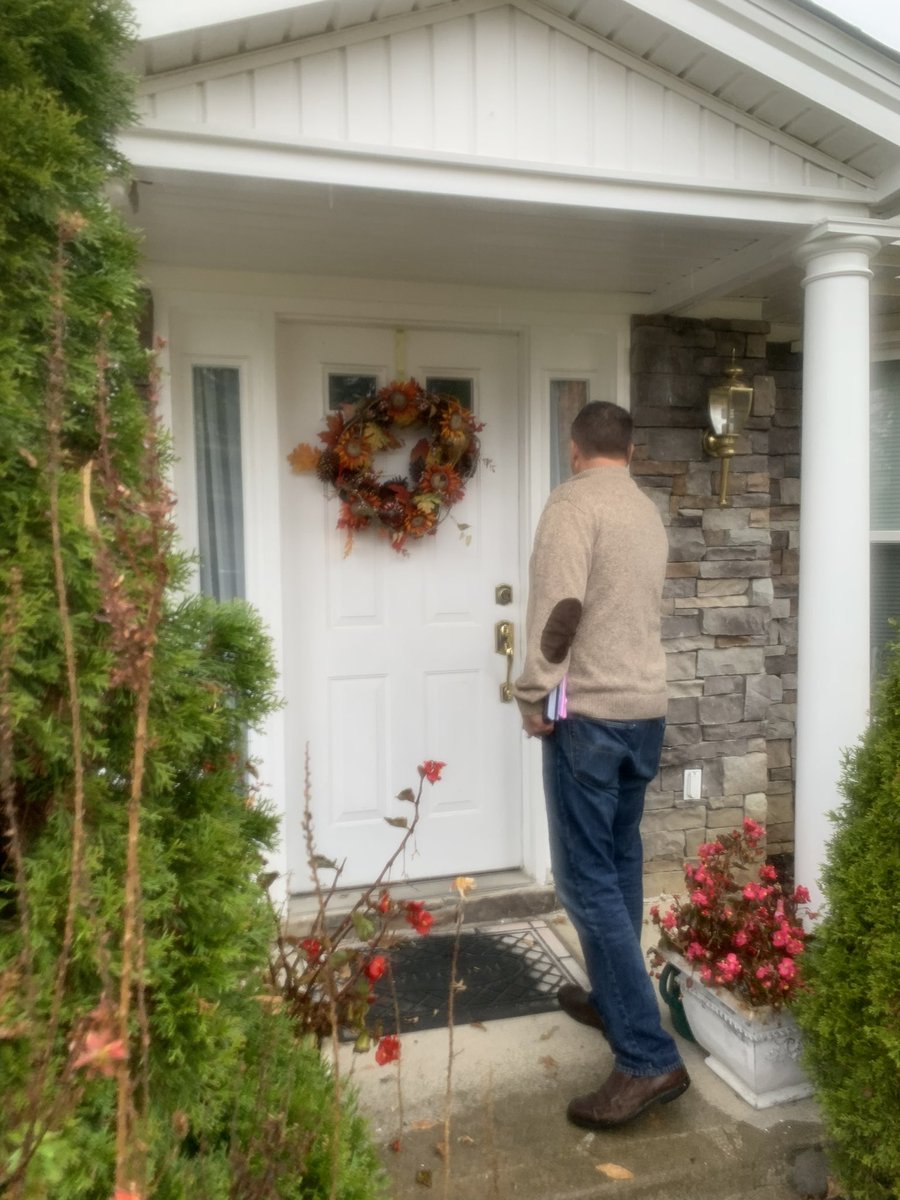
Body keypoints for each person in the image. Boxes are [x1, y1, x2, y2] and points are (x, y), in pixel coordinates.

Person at [514, 400, 689, 1129]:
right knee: (617, 865)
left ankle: (647, 1058)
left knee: (584, 882)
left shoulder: (573, 503)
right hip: (644, 714)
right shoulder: (645, 511)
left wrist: (531, 691)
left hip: (590, 719)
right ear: (631, 447)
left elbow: (561, 609)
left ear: (575, 445)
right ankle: (612, 997)